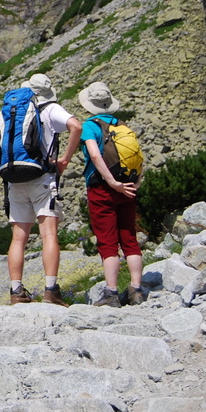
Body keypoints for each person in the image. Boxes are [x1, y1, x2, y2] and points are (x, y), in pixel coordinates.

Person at [0, 73, 82, 306]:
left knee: (18, 238)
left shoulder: (10, 111)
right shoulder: (50, 108)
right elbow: (76, 126)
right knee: (48, 235)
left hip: (14, 179)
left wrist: (4, 165)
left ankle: (16, 292)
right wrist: (65, 159)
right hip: (42, 177)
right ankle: (51, 291)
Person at [78, 81, 145, 307]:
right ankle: (136, 289)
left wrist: (112, 182)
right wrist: (134, 182)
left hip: (102, 188)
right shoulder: (122, 125)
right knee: (129, 238)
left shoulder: (89, 126)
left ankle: (111, 293)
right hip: (128, 187)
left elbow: (95, 156)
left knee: (107, 241)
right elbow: (138, 156)